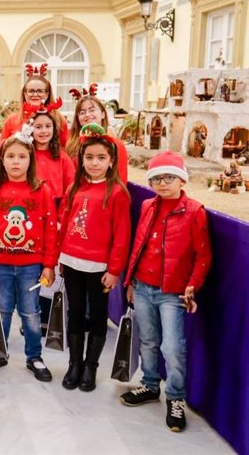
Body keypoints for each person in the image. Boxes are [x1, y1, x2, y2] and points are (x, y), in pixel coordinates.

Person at [120, 151, 212, 432]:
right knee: (147, 339)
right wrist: (131, 281)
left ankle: (176, 397)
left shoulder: (195, 211)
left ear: (181, 179)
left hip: (172, 291)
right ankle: (149, 384)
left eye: (169, 177)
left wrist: (192, 286)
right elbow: (139, 244)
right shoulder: (148, 205)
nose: (162, 183)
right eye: (156, 178)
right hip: (144, 287)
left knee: (173, 347)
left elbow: (203, 254)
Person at [0, 126, 58, 379]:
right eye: (10, 156)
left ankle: (34, 356)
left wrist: (49, 264)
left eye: (22, 156)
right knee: (1, 310)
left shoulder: (41, 190)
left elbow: (50, 229)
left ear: (30, 159)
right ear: (1, 159)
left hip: (31, 265)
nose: (16, 161)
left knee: (31, 312)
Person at [58, 123, 131, 392]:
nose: (95, 163)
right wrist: (60, 259)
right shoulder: (74, 188)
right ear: (81, 160)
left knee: (98, 314)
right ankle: (74, 363)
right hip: (72, 262)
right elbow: (64, 224)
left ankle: (91, 365)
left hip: (100, 267)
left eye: (101, 158)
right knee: (75, 311)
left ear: (111, 161)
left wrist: (114, 270)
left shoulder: (118, 193)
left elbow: (121, 236)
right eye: (89, 157)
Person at [66, 85, 128, 183]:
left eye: (92, 110)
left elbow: (121, 180)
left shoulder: (116, 145)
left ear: (103, 114)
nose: (87, 115)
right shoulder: (71, 144)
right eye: (82, 112)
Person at [0, 63, 68, 148]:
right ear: (25, 94)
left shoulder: (59, 120)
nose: (35, 94)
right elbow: (1, 150)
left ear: (47, 94)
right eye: (31, 91)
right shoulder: (12, 121)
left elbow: (65, 149)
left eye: (40, 91)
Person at [25, 103, 75, 203]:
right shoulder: (26, 156)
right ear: (30, 129)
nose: (44, 131)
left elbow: (71, 186)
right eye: (38, 127)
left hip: (57, 205)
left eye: (48, 126)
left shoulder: (62, 157)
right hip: (31, 203)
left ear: (54, 129)